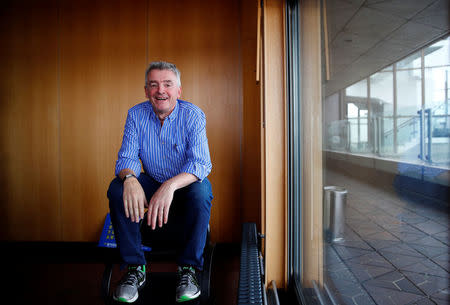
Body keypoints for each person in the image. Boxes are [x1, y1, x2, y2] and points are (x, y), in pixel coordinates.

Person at [107, 61, 213, 303]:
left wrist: (171, 185)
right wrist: (131, 177)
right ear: (146, 91)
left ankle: (189, 270)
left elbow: (201, 164)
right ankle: (135, 269)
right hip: (150, 181)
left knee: (202, 189)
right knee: (117, 188)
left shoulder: (194, 115)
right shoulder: (136, 114)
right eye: (153, 85)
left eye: (167, 84)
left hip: (184, 186)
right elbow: (126, 157)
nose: (160, 90)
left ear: (179, 90)